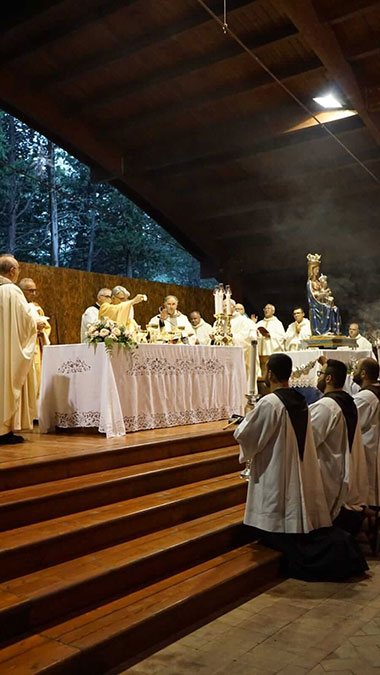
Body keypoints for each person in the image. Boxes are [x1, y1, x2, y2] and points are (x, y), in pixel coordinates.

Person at [234, 353, 367, 580]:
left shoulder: (270, 402)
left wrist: (244, 421)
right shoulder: (299, 400)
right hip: (298, 465)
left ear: (271, 374)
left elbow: (247, 436)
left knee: (278, 517)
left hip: (277, 467)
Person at [309, 359, 369, 535]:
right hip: (346, 475)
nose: (318, 379)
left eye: (320, 374)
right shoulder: (348, 402)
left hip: (330, 475)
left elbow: (307, 441)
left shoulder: (326, 406)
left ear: (328, 379)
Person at [0, 254, 39, 444]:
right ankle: (5, 430)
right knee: (7, 384)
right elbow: (26, 321)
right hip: (7, 351)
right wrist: (36, 323)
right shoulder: (12, 291)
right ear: (13, 271)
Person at [353, 358, 380, 506]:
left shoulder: (366, 397)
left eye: (356, 369)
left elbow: (351, 422)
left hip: (369, 449)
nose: (354, 372)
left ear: (363, 374)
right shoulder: (373, 392)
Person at [19, 277, 51, 397]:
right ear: (21, 291)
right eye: (30, 290)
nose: (34, 294)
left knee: (38, 377)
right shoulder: (18, 306)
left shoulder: (37, 308)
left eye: (34, 290)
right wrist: (33, 328)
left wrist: (42, 332)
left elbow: (47, 327)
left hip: (37, 346)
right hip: (23, 347)